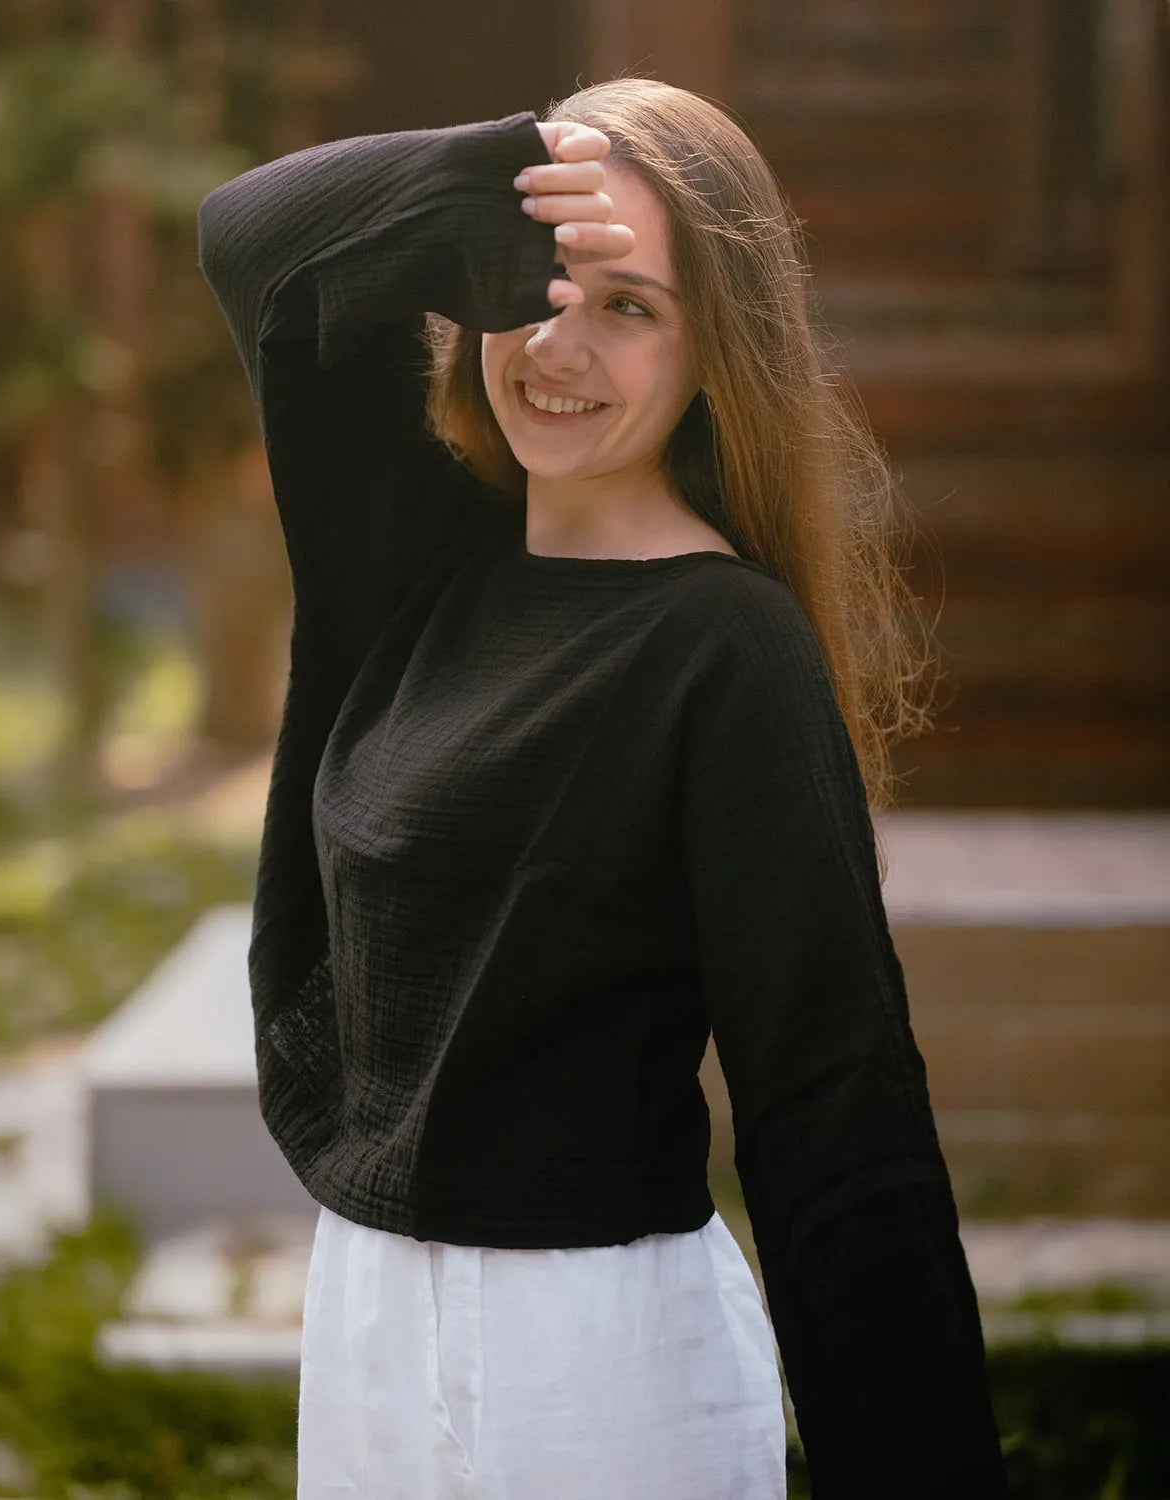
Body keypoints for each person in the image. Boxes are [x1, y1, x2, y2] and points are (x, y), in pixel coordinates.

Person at [198, 76, 1010, 1500]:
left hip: (597, 1356)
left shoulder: (728, 649)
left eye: (628, 305)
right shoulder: (414, 565)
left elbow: (835, 1107)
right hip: (367, 1318)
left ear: (717, 352)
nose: (557, 343)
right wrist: (484, 173)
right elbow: (250, 234)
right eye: (536, 284)